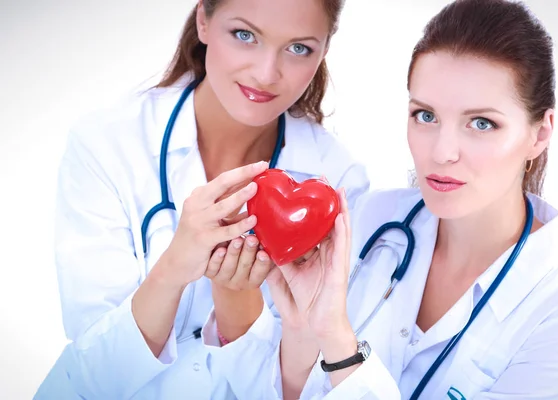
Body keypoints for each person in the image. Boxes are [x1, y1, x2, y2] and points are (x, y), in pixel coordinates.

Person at [213, 0, 558, 399]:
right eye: (426, 116)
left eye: (482, 123)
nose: (442, 151)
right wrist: (302, 332)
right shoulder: (365, 220)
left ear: (539, 133)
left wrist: (339, 342)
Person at [33, 0, 369, 399]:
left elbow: (303, 386)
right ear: (204, 21)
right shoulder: (107, 144)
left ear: (324, 50)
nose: (266, 74)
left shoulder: (338, 183)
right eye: (244, 35)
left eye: (299, 48)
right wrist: (175, 266)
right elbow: (92, 375)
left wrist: (236, 302)